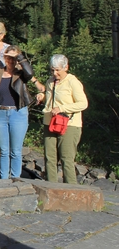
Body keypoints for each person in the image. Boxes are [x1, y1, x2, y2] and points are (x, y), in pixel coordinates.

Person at [0, 46, 45, 179]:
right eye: (8, 57)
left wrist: (19, 57)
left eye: (13, 58)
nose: (10, 60)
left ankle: (16, 178)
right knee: (3, 151)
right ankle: (3, 180)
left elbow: (30, 73)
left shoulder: (21, 74)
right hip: (0, 113)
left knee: (15, 151)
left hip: (18, 113)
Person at [42, 54, 88, 184]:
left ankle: (71, 190)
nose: (54, 73)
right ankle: (51, 187)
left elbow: (83, 103)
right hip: (50, 123)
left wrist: (62, 108)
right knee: (49, 157)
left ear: (66, 67)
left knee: (66, 158)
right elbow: (51, 100)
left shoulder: (73, 82)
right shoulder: (50, 81)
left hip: (70, 125)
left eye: (57, 70)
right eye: (52, 70)